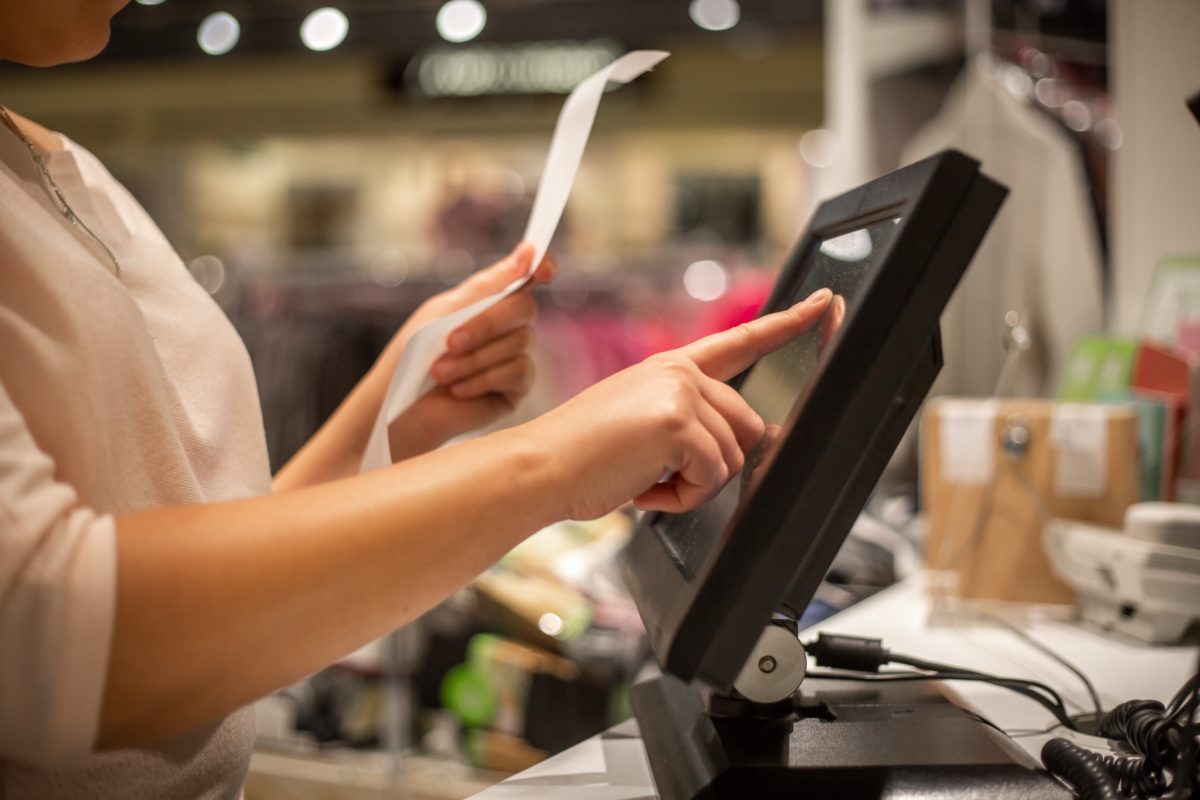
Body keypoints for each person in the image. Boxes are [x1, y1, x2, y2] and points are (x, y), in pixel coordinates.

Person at [0, 2, 835, 797]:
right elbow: (44, 638)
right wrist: (549, 459)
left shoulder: (71, 171)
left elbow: (216, 578)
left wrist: (391, 409)